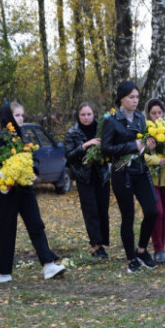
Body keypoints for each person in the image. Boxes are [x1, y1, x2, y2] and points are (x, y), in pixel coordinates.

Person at [0, 102, 66, 283]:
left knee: (36, 224)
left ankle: (48, 265)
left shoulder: (24, 138)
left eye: (23, 115)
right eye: (17, 115)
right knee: (6, 230)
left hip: (26, 189)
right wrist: (2, 178)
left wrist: (32, 171)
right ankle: (0, 271)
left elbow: (34, 160)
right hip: (7, 191)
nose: (21, 119)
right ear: (7, 117)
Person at [101, 81, 158, 273]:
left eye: (137, 97)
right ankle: (131, 257)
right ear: (121, 99)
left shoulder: (141, 118)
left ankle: (141, 250)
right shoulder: (111, 121)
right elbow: (106, 149)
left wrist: (151, 145)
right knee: (128, 216)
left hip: (140, 170)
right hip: (121, 171)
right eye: (131, 97)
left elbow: (144, 143)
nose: (135, 101)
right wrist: (132, 146)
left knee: (153, 210)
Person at [64, 102, 111, 259]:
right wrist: (84, 145)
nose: (86, 117)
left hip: (102, 175)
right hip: (85, 177)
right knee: (91, 211)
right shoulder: (72, 132)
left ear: (94, 114)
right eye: (83, 115)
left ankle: (102, 244)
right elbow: (69, 156)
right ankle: (95, 246)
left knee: (102, 210)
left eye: (89, 114)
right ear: (78, 116)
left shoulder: (102, 128)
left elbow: (112, 148)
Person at [143, 98, 165, 264]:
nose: (157, 116)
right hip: (151, 178)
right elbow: (143, 156)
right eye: (153, 113)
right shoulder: (145, 132)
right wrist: (158, 159)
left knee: (164, 214)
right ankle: (158, 249)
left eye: (159, 112)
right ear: (149, 114)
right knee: (157, 212)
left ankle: (162, 249)